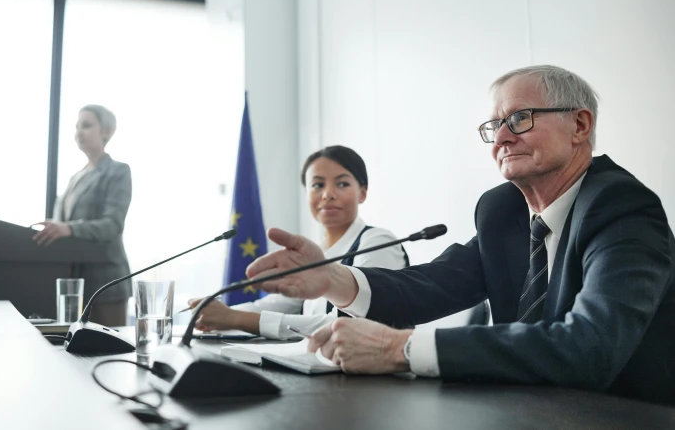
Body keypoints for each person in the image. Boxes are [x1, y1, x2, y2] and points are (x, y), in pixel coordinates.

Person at [247, 66, 675, 404]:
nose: (502, 137)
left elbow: (589, 347)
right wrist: (333, 279)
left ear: (580, 125)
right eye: (494, 126)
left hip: (620, 414)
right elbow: (434, 283)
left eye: (519, 119)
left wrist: (401, 348)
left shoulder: (622, 208)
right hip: (526, 409)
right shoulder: (503, 210)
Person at [188, 145, 409, 340]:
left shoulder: (379, 242)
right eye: (317, 185)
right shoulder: (316, 253)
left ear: (362, 193)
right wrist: (215, 311)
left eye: (342, 184)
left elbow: (347, 328)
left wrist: (235, 318)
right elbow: (272, 305)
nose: (327, 194)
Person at [33, 105, 133, 327]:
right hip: (72, 285)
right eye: (77, 126)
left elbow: (112, 225)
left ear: (107, 131)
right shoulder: (75, 178)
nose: (79, 132)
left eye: (86, 125)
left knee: (110, 353)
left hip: (106, 284)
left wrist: (68, 228)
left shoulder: (118, 171)